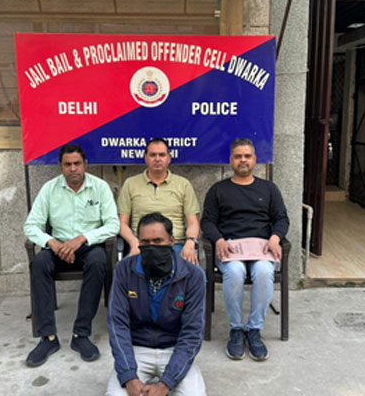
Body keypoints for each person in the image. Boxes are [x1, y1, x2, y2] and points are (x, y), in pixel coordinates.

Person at [23, 144, 119, 367]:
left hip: (88, 246)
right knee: (39, 263)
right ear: (61, 166)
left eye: (77, 163)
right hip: (58, 247)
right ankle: (48, 338)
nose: (73, 168)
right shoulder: (49, 189)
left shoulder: (100, 187)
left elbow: (112, 225)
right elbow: (31, 226)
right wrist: (53, 243)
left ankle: (81, 334)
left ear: (85, 164)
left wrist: (82, 239)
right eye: (68, 164)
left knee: (98, 261)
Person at [201, 138, 289, 361]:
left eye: (247, 156)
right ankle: (236, 329)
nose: (243, 160)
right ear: (231, 160)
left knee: (264, 272)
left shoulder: (269, 189)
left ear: (254, 159)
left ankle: (254, 330)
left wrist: (275, 238)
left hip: (262, 247)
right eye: (238, 156)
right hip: (231, 248)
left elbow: (281, 218)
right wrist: (218, 240)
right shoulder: (218, 190)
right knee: (235, 272)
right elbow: (207, 221)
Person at [107, 213, 206, 396]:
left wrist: (165, 384)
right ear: (138, 243)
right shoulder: (124, 270)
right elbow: (117, 324)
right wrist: (129, 376)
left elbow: (192, 333)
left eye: (158, 241)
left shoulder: (193, 275)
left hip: (174, 349)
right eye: (145, 242)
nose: (151, 246)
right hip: (137, 348)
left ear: (171, 241)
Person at [117, 138, 200, 264]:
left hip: (175, 245)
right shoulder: (130, 184)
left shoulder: (183, 184)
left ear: (169, 158)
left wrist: (190, 242)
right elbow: (122, 223)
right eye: (152, 155)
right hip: (142, 245)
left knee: (195, 273)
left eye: (162, 155)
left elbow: (193, 222)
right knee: (125, 271)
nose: (157, 159)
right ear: (145, 158)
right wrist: (134, 242)